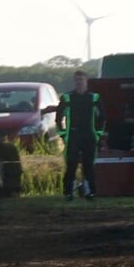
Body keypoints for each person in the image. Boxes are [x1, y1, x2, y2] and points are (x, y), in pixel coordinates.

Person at [46, 69, 104, 199]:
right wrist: (63, 134)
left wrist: (98, 134)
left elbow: (102, 117)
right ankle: (68, 192)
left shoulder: (94, 97)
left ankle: (90, 192)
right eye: (76, 80)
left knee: (89, 164)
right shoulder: (67, 97)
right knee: (71, 164)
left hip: (89, 135)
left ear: (86, 81)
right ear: (74, 82)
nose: (79, 83)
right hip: (73, 136)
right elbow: (58, 118)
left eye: (81, 80)